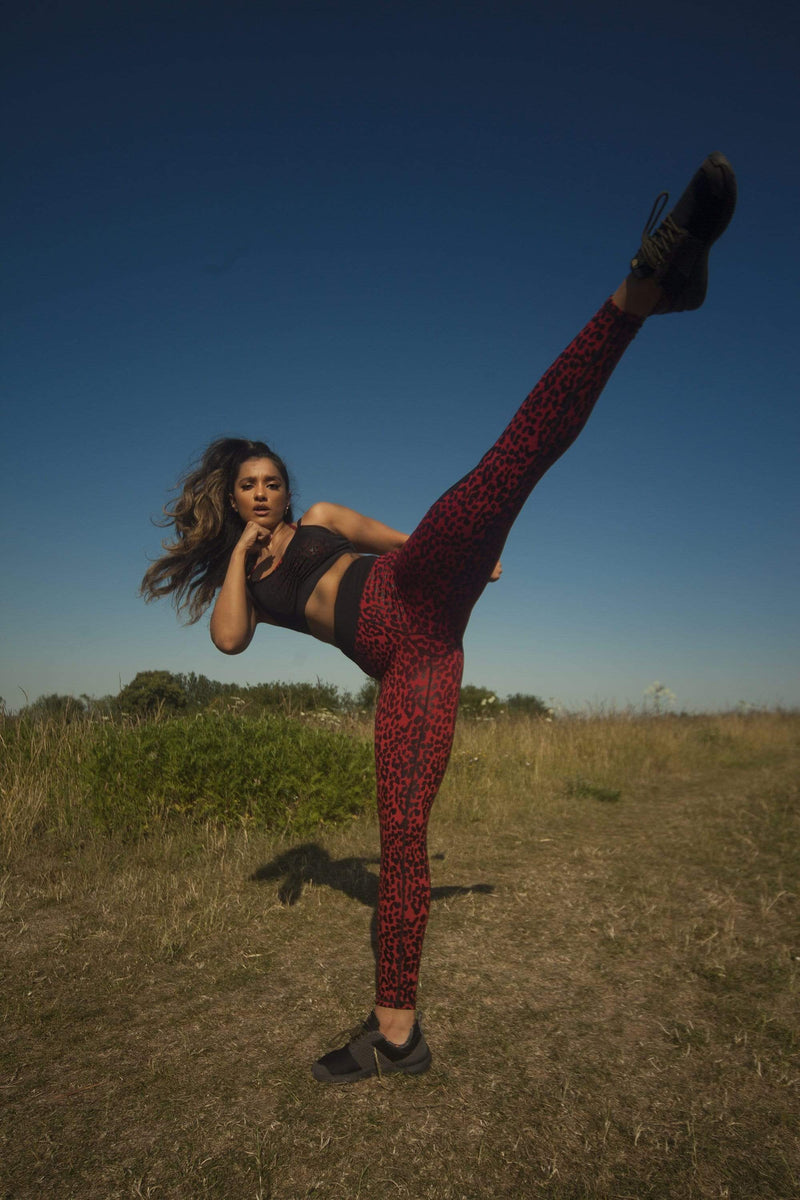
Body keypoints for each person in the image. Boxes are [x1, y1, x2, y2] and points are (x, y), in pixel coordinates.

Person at [142, 153, 737, 1084]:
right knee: (404, 848)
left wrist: (471, 544)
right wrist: (232, 557)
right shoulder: (243, 580)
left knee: (510, 460)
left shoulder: (325, 518)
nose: (264, 493)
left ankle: (642, 287)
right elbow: (226, 642)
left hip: (414, 593)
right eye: (248, 487)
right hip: (415, 668)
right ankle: (396, 1039)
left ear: (286, 486)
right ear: (230, 498)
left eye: (271, 481)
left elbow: (407, 537)